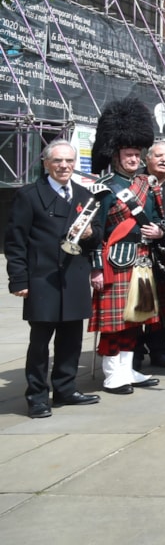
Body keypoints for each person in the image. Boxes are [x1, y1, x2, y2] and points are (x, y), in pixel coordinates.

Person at [6, 140, 102, 418]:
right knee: (40, 343)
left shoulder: (84, 194)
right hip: (42, 278)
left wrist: (89, 234)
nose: (64, 166)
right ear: (46, 163)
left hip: (73, 276)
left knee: (71, 340)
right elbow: (15, 242)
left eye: (69, 161)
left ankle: (65, 388)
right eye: (58, 161)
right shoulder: (30, 195)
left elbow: (96, 233)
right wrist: (19, 280)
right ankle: (37, 396)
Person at [87, 98, 165, 395]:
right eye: (128, 154)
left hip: (143, 258)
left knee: (136, 317)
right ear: (116, 155)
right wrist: (95, 268)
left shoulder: (149, 184)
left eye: (136, 154)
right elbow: (94, 232)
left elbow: (160, 220)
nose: (133, 158)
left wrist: (158, 231)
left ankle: (128, 368)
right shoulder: (104, 187)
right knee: (114, 321)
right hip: (114, 260)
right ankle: (112, 373)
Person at [135, 140, 165, 371]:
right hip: (137, 252)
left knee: (161, 306)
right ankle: (134, 351)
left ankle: (159, 350)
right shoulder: (134, 183)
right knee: (137, 302)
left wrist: (163, 232)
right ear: (148, 159)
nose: (164, 160)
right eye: (158, 156)